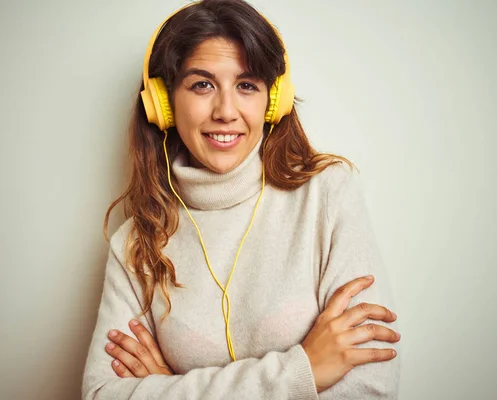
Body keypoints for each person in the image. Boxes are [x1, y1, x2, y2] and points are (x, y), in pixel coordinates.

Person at [82, 0, 401, 398]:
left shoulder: (327, 195)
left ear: (273, 100)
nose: (226, 111)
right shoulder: (135, 243)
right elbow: (102, 394)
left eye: (247, 85)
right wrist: (303, 370)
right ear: (163, 104)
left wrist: (169, 388)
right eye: (202, 85)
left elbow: (371, 387)